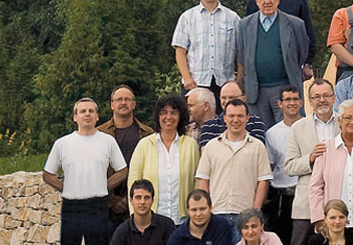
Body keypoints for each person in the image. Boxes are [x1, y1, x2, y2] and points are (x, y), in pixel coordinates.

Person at [44, 97, 128, 245]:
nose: (87, 115)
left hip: (98, 207)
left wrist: (104, 186)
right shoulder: (63, 143)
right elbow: (48, 174)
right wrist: (67, 187)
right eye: (82, 111)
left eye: (91, 111)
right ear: (75, 117)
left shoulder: (107, 141)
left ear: (98, 116)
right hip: (71, 207)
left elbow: (123, 170)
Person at [281, 78, 338, 245]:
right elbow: (289, 166)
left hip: (337, 202)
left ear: (333, 98)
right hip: (305, 203)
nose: (322, 100)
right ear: (310, 101)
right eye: (316, 97)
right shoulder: (298, 127)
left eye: (326, 95)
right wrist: (310, 158)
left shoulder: (345, 122)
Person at [235, 0, 312, 128]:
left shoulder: (295, 24)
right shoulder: (245, 25)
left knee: (290, 133)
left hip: (286, 88)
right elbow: (243, 56)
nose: (267, 2)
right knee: (260, 134)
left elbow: (302, 53)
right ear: (257, 1)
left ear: (278, 0)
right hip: (257, 92)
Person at [195, 99, 271, 231]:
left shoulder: (258, 147)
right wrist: (207, 209)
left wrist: (255, 211)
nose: (235, 120)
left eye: (240, 116)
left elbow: (263, 181)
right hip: (216, 214)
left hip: (245, 216)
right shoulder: (211, 146)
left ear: (247, 118)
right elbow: (203, 180)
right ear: (225, 118)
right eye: (231, 116)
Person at [307, 99, 353, 236]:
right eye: (348, 118)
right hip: (331, 225)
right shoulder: (326, 148)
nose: (352, 122)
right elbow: (315, 187)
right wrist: (319, 219)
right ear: (339, 121)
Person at [128, 94, 200, 223]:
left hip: (182, 220)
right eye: (164, 112)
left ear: (180, 116)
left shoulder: (191, 145)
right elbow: (133, 182)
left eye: (174, 113)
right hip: (151, 220)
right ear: (158, 116)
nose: (168, 117)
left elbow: (197, 181)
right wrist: (136, 216)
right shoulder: (144, 145)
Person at [173, 0, 240, 101]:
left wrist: (239, 80)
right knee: (192, 121)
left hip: (224, 84)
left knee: (226, 121)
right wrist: (186, 78)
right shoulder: (187, 17)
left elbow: (242, 51)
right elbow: (180, 52)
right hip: (195, 83)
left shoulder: (233, 18)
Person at [263, 85, 305, 233]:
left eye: (295, 99)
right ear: (280, 104)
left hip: (304, 193)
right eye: (287, 99)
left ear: (301, 102)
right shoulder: (272, 133)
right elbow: (270, 167)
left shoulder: (311, 127)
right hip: (281, 196)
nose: (292, 103)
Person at [196, 80, 268, 147]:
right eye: (223, 98)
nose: (227, 101)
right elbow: (206, 154)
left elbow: (257, 151)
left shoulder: (255, 122)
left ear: (244, 99)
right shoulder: (209, 126)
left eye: (231, 98)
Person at [99, 84, 152, 167]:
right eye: (119, 99)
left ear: (134, 104)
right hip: (110, 180)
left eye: (127, 99)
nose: (123, 103)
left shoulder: (147, 133)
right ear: (112, 105)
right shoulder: (100, 133)